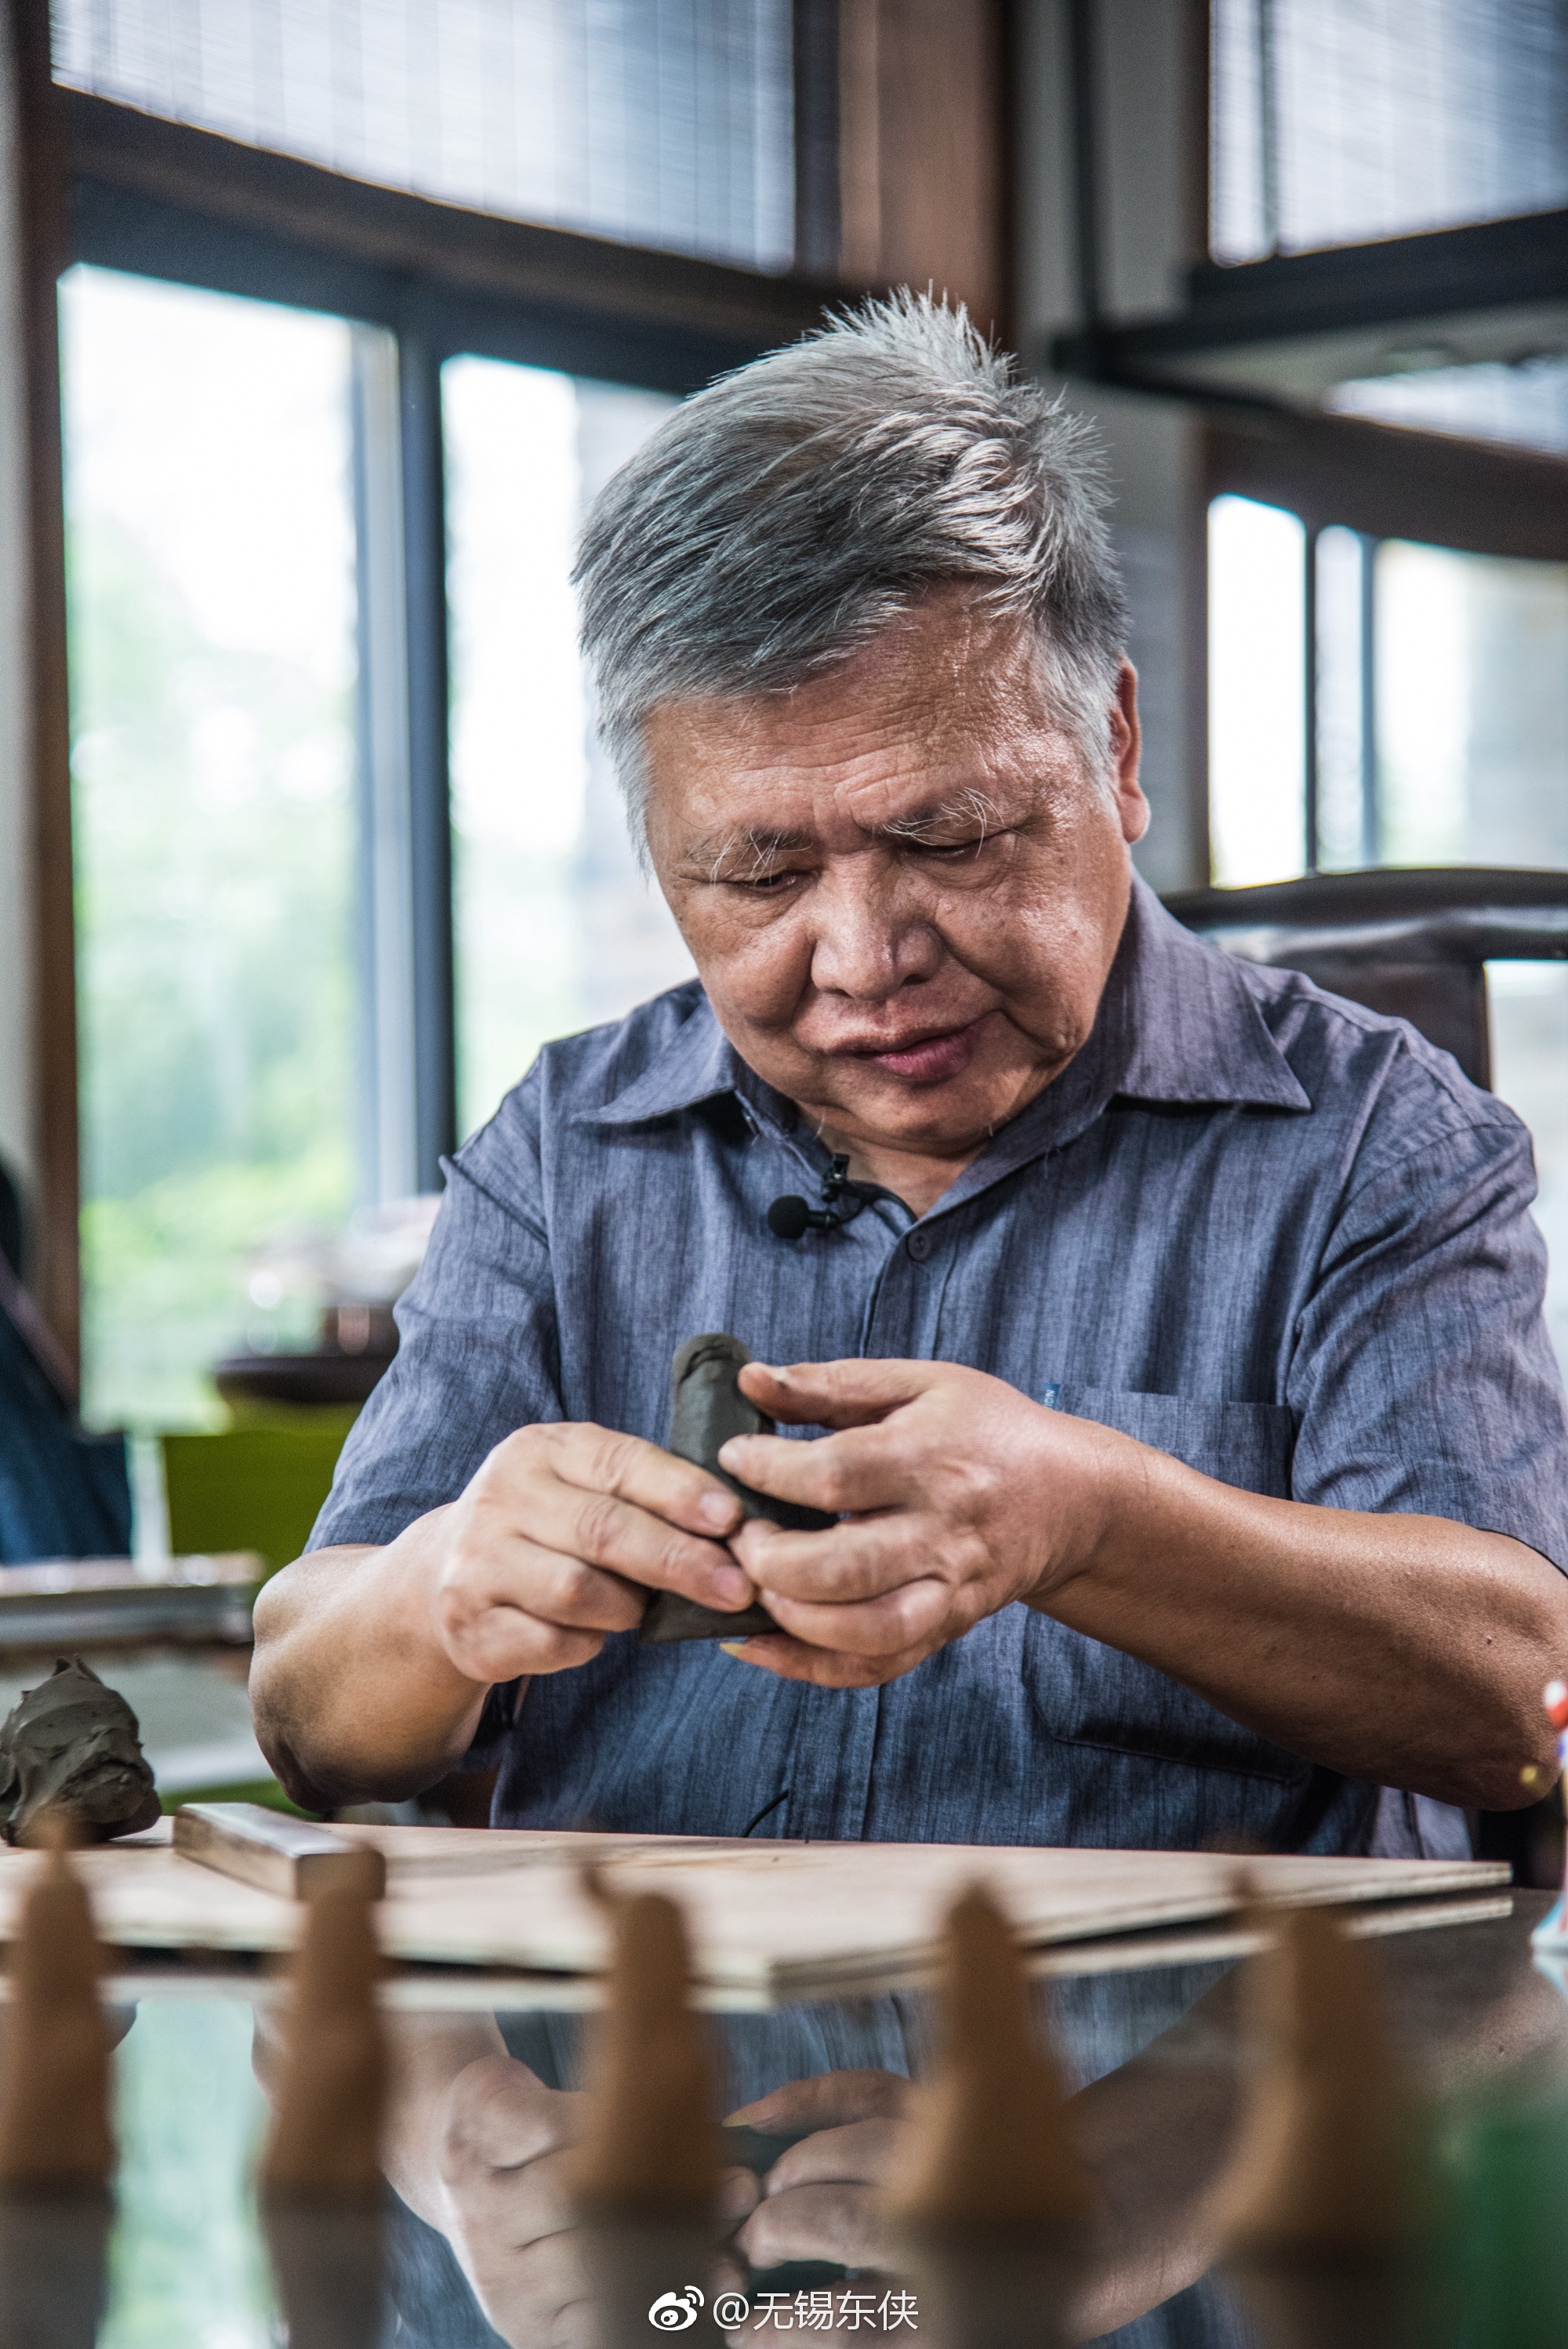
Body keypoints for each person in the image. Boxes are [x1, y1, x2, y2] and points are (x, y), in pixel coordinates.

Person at [252, 292, 1568, 1860]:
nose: (865, 955)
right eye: (758, 874)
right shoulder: (567, 1147)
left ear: (1117, 748)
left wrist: (1090, 1515)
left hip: (1189, 2086)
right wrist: (439, 1584)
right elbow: (310, 1717)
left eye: (950, 838)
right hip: (650, 2072)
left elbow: (1523, 1700)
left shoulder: (1372, 1142)